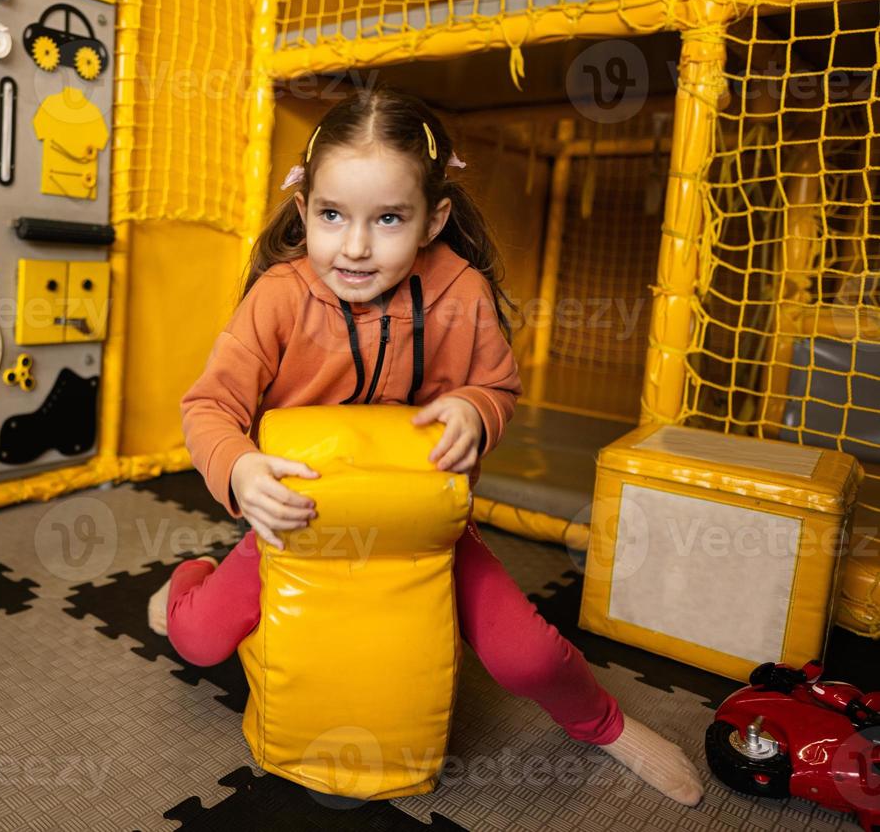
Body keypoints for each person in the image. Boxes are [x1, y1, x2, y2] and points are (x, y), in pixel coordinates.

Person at [147, 87, 703, 807]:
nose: (353, 246)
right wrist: (241, 464)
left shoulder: (458, 292)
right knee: (198, 639)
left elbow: (498, 388)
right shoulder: (279, 297)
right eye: (331, 216)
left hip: (424, 529)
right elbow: (208, 405)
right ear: (302, 208)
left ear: (433, 218)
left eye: (387, 219)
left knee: (527, 653)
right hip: (300, 523)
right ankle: (187, 577)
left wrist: (477, 410)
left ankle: (606, 724)